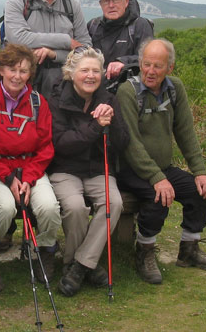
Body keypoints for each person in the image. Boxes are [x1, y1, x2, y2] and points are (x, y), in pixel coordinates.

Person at [116, 38, 206, 285]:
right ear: (140, 63)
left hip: (162, 168)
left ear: (170, 68)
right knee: (160, 196)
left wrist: (201, 172)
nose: (150, 71)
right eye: (146, 64)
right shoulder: (128, 92)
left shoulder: (175, 88)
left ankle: (189, 250)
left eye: (157, 66)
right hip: (130, 169)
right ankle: (144, 251)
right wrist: (158, 179)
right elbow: (131, 144)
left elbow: (186, 133)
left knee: (200, 192)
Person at [0, 43, 61, 293]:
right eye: (12, 69)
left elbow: (45, 147)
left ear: (30, 74)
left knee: (48, 207)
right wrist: (8, 177)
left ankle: (46, 251)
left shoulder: (38, 102)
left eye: (24, 71)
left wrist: (29, 178)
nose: (17, 76)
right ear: (0, 69)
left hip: (30, 168)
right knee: (3, 207)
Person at [47, 46, 129, 297]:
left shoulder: (108, 99)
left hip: (97, 169)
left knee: (114, 203)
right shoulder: (56, 100)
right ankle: (85, 263)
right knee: (74, 207)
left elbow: (123, 142)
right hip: (65, 168)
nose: (91, 76)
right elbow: (62, 144)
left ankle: (79, 265)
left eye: (96, 71)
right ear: (71, 73)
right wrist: (95, 126)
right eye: (84, 70)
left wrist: (111, 120)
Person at [4, 0, 92, 99]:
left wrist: (54, 54)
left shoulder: (72, 6)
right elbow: (18, 38)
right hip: (22, 84)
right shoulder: (17, 1)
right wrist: (66, 41)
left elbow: (86, 51)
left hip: (65, 88)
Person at [87, 0, 154, 83]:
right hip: (95, 87)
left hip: (128, 90)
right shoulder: (94, 26)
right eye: (106, 1)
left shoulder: (140, 26)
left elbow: (149, 59)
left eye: (116, 0)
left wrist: (123, 62)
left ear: (126, 1)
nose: (111, 5)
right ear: (100, 4)